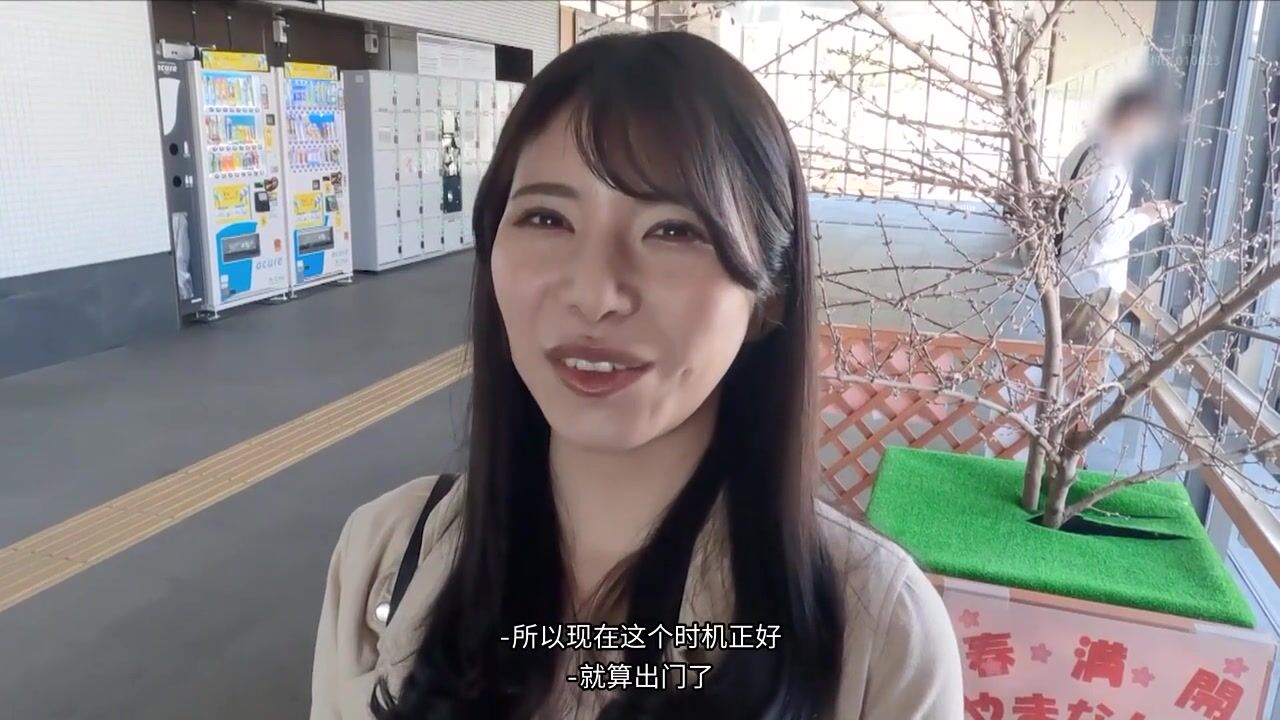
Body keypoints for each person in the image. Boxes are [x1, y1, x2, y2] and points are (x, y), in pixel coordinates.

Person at [311, 32, 963, 720]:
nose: (595, 294)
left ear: (767, 297)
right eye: (546, 217)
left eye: (673, 230)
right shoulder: (385, 556)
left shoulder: (877, 632)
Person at [1057, 83, 1179, 349]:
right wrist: (1148, 217)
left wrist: (1137, 213)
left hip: (1072, 278)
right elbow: (1105, 232)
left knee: (1066, 362)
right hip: (1092, 288)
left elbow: (1090, 217)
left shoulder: (1083, 150)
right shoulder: (1108, 166)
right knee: (1086, 368)